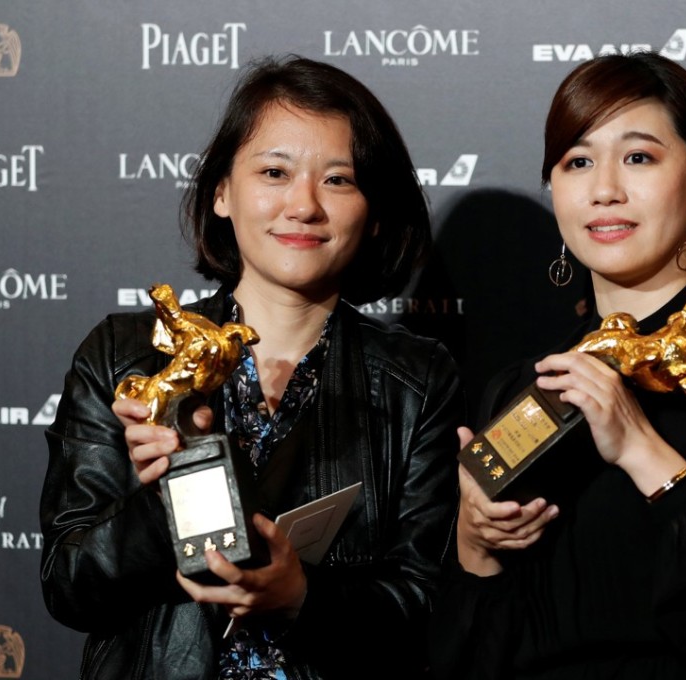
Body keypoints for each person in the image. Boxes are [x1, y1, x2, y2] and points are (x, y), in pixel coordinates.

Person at [428, 52, 686, 679]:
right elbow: (467, 656)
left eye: (638, 157)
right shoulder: (525, 386)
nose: (604, 190)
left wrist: (641, 449)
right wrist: (474, 543)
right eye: (577, 162)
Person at [40, 55, 464, 680]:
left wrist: (302, 598)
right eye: (274, 171)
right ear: (221, 193)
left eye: (339, 180)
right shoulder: (128, 355)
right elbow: (69, 584)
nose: (303, 206)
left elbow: (431, 604)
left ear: (373, 214)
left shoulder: (417, 378)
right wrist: (168, 496)